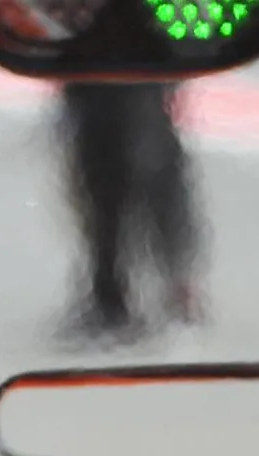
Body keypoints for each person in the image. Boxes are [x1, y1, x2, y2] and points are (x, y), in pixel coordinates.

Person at [54, 77, 201, 344]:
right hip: (100, 83)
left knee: (140, 171)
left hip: (127, 79)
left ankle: (169, 284)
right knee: (104, 184)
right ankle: (114, 293)